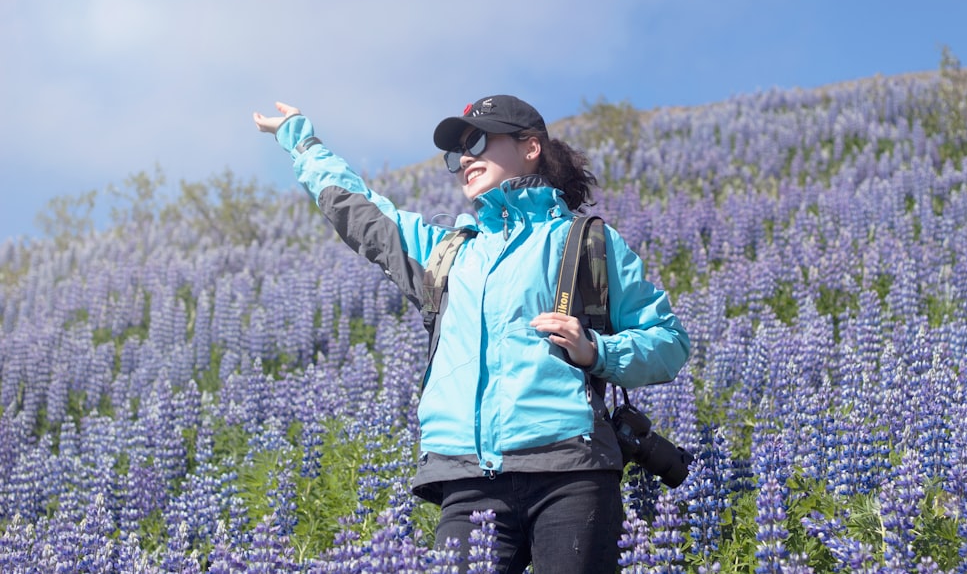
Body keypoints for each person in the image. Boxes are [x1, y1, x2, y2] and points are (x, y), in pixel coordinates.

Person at [254, 95, 690, 573]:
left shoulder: (586, 241)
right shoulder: (448, 253)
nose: (464, 158)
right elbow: (362, 212)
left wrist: (596, 351)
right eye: (455, 151)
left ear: (531, 148)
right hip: (465, 475)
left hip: (569, 469)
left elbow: (668, 342)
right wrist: (300, 140)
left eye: (478, 141)